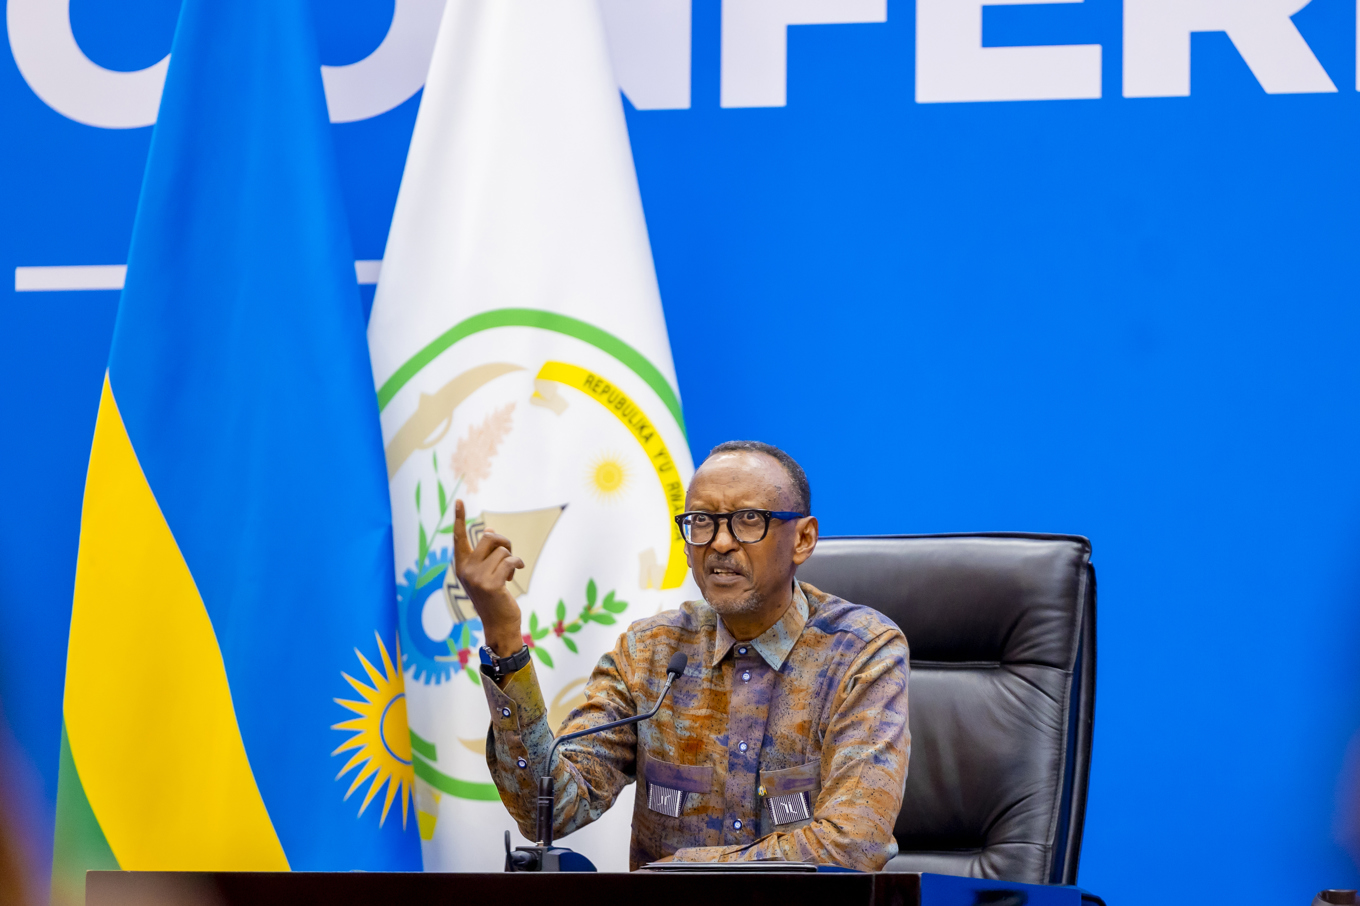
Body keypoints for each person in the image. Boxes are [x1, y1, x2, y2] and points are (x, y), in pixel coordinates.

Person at [454, 440, 910, 870]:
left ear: (803, 539)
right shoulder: (650, 653)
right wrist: (503, 636)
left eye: (749, 520)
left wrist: (678, 875)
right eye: (702, 522)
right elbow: (550, 812)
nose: (720, 542)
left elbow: (853, 844)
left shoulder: (861, 652)